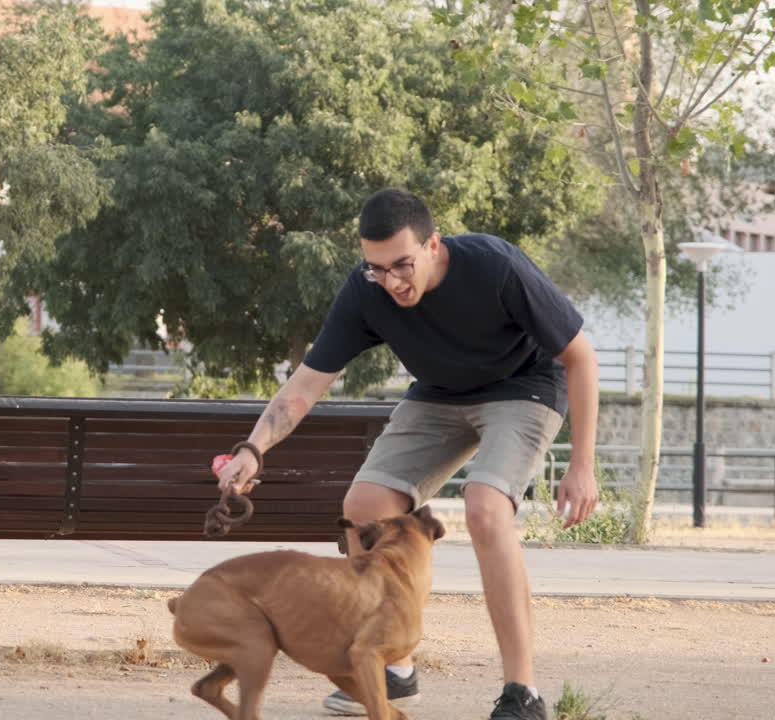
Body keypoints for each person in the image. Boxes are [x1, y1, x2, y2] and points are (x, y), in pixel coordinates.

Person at [214, 188, 600, 720]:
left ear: (433, 245)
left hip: (525, 388)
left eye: (402, 265)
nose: (392, 281)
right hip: (439, 395)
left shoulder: (496, 267)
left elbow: (581, 358)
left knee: (486, 508)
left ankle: (522, 692)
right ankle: (393, 672)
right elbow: (303, 387)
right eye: (377, 269)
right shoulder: (365, 291)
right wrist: (253, 450)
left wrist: (583, 466)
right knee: (364, 508)